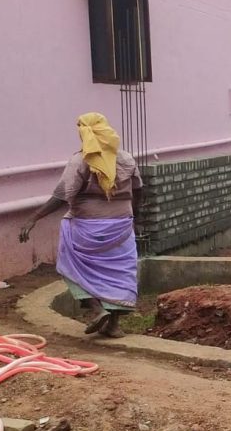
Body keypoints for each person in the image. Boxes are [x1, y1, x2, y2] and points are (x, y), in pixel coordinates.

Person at [19, 113, 142, 338]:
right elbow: (139, 190)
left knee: (71, 265)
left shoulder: (80, 161)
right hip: (121, 227)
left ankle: (97, 309)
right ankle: (113, 325)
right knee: (118, 274)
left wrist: (33, 218)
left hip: (87, 227)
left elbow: (62, 196)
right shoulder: (126, 159)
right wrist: (134, 219)